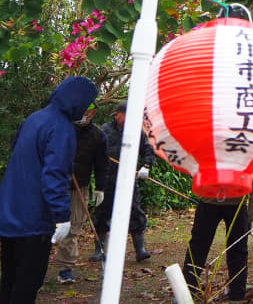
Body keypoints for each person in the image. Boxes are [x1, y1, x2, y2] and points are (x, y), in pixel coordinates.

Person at [0, 76, 98, 303]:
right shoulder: (61, 128)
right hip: (33, 220)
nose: (89, 110)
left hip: (9, 212)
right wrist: (62, 216)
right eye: (89, 104)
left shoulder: (34, 119)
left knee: (9, 280)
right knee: (27, 283)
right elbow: (54, 174)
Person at [91, 100, 155, 262]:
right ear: (117, 114)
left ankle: (140, 249)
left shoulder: (136, 132)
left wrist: (145, 166)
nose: (128, 118)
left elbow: (147, 150)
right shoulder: (104, 130)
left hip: (128, 180)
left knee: (135, 212)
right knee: (101, 213)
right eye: (125, 115)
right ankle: (99, 249)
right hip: (107, 180)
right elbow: (94, 152)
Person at [53, 102, 108, 284]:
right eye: (83, 111)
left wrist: (100, 188)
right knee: (46, 224)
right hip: (54, 184)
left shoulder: (98, 136)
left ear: (93, 113)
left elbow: (101, 165)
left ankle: (65, 268)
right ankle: (33, 263)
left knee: (73, 227)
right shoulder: (62, 127)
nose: (86, 115)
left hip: (79, 187)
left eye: (90, 112)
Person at [182, 190, 253, 302]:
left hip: (229, 202)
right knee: (199, 247)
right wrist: (251, 215)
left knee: (199, 247)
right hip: (218, 200)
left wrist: (250, 216)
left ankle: (236, 295)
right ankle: (187, 291)